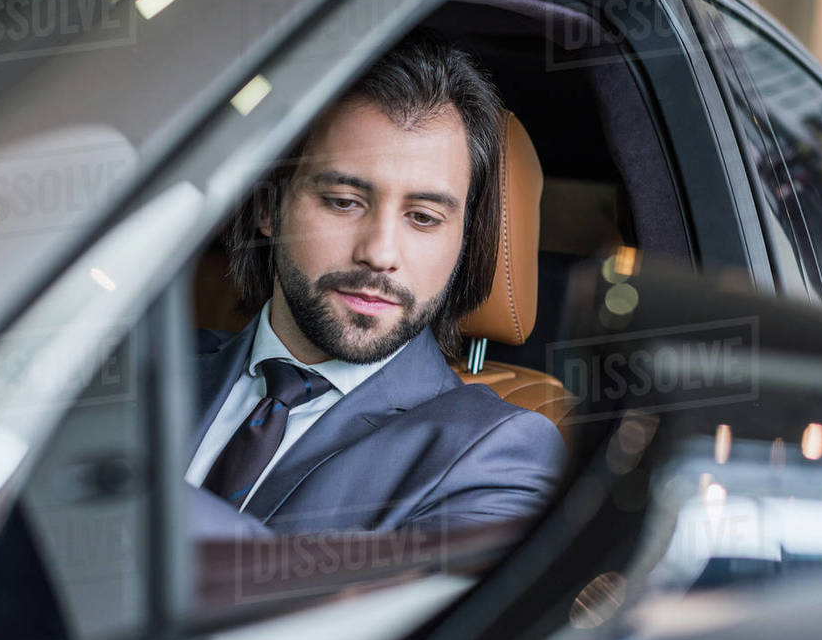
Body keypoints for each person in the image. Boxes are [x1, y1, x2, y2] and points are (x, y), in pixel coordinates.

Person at [186, 30, 566, 535]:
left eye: (425, 217)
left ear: (462, 243)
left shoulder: (501, 455)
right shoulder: (139, 371)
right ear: (267, 208)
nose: (380, 254)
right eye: (344, 201)